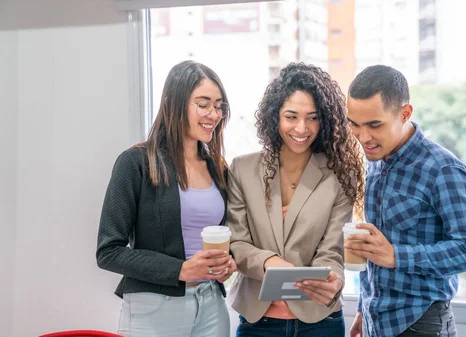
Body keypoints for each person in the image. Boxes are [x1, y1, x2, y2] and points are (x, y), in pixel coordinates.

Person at [96, 60, 237, 337]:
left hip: (211, 304)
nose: (214, 114)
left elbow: (228, 233)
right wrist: (180, 269)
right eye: (203, 103)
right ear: (174, 103)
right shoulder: (135, 163)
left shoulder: (218, 168)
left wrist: (229, 261)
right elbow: (108, 251)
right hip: (154, 309)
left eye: (219, 105)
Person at [345, 65, 466, 337]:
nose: (363, 137)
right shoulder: (375, 162)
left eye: (375, 125)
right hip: (377, 322)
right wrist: (364, 310)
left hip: (422, 324)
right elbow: (373, 248)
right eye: (355, 124)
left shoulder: (442, 169)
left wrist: (397, 256)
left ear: (405, 113)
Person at [226, 63, 365, 337]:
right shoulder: (242, 169)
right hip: (258, 322)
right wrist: (268, 263)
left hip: (320, 320)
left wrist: (333, 280)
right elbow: (236, 243)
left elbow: (332, 250)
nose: (302, 128)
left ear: (324, 119)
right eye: (291, 116)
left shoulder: (339, 175)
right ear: (274, 117)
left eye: (312, 118)